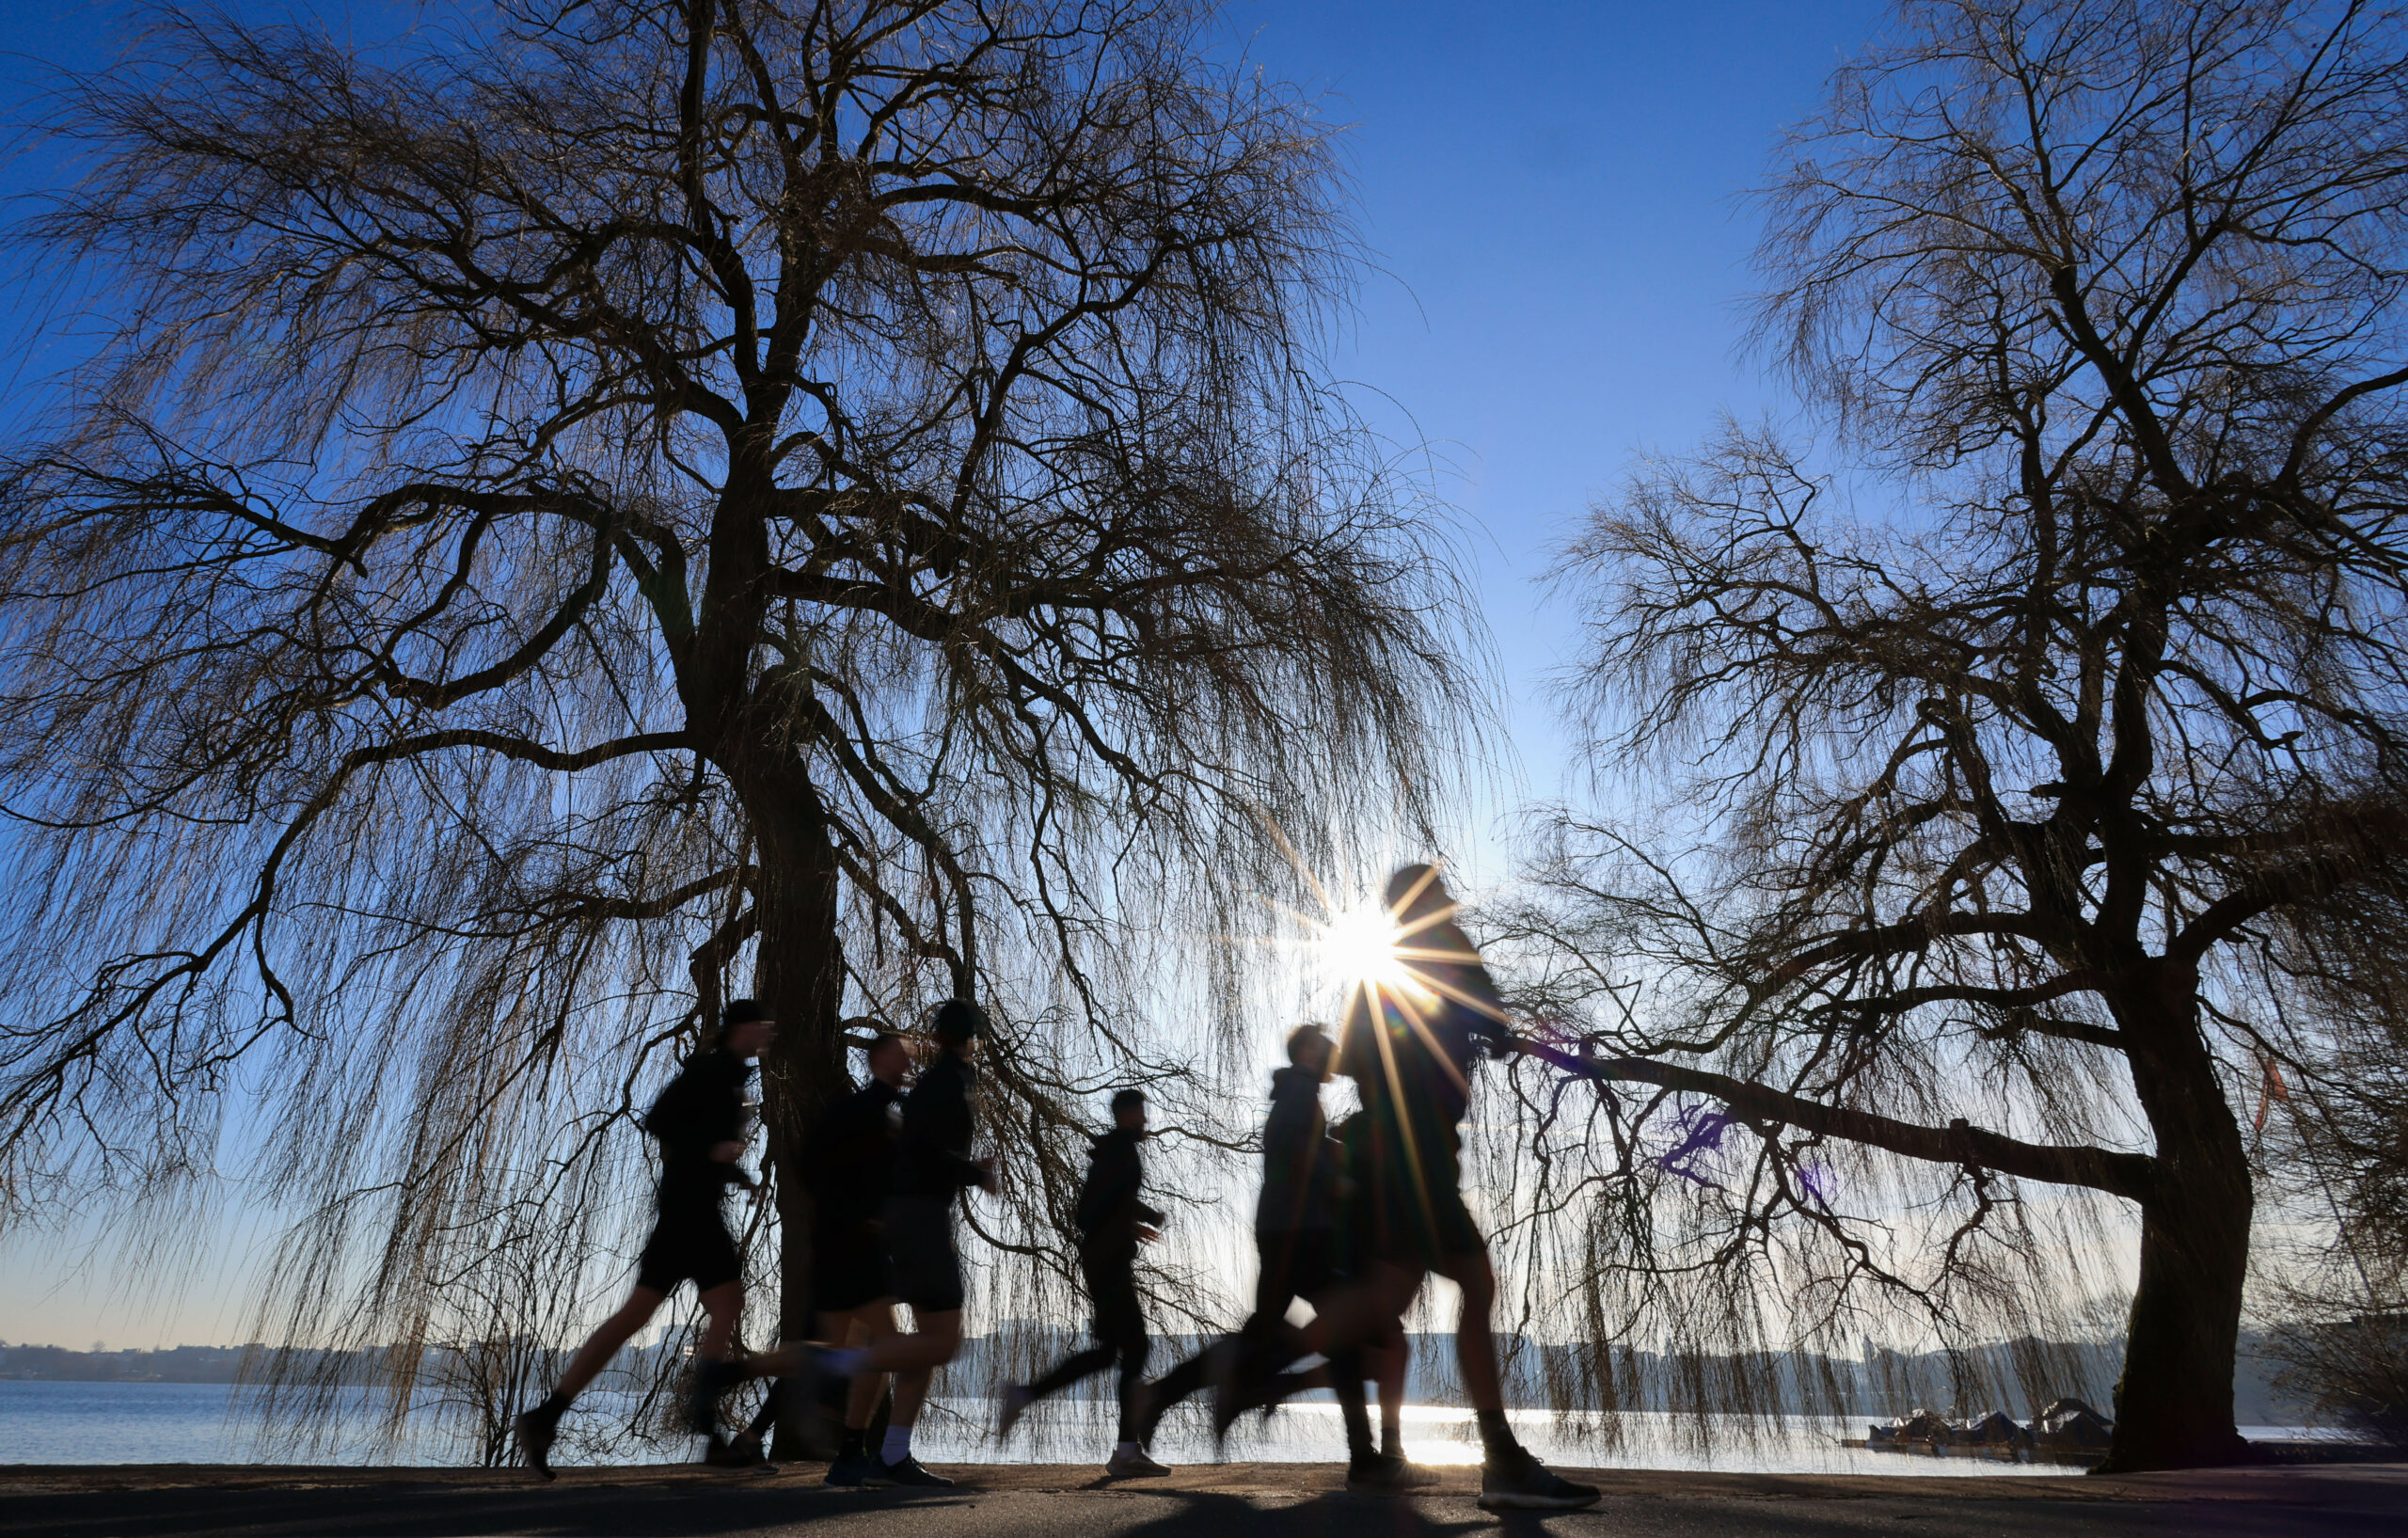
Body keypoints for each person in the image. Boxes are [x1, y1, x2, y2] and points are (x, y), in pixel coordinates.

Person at [1225, 866, 1601, 1512]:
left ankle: (1256, 1365)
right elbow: (1492, 1023)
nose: (1449, 902)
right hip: (1415, 1155)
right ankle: (1502, 1456)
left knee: (1387, 1295)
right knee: (1471, 1283)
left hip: (1395, 1152)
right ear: (1423, 903)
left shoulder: (1380, 974)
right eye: (1438, 895)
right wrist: (1512, 1034)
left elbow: (1360, 1056)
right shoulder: (1445, 950)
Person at [715, 998, 997, 1488]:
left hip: (876, 1239)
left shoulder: (901, 1108)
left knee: (881, 1348)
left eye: (911, 1055)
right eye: (899, 1055)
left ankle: (836, 1447)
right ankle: (816, 1421)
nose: (908, 1062)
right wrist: (856, 1216)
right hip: (850, 1244)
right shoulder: (865, 1109)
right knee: (871, 1349)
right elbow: (815, 1163)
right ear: (877, 1060)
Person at [1135, 1025, 1431, 1489]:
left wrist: (1334, 1147)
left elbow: (1298, 1148)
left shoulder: (1298, 1094)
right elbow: (1295, 1151)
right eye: (1328, 1045)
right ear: (1310, 1051)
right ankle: (1361, 1457)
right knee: (1341, 1334)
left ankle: (1165, 1395)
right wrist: (1340, 1176)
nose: (1335, 1053)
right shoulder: (1298, 1093)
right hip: (1301, 1233)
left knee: (1272, 1333)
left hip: (1286, 1231)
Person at [514, 1000, 773, 1480]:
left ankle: (545, 1417)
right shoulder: (710, 1070)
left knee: (644, 1313)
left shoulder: (734, 1076)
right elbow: (660, 1121)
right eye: (761, 1025)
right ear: (742, 1027)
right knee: (724, 1301)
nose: (766, 1034)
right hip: (689, 1211)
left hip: (690, 1208)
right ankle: (706, 1423)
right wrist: (714, 1150)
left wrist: (737, 1174)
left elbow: (706, 1142)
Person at [996, 1088, 1168, 1479]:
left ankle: (1027, 1396)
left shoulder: (1114, 1150)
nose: (1146, 1119)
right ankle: (1125, 1452)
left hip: (1103, 1260)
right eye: (1141, 1112)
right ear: (1127, 1114)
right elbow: (1090, 1210)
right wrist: (1137, 1219)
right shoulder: (1120, 1150)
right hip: (1107, 1264)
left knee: (1111, 1352)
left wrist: (1133, 1221)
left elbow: (1098, 1206)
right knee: (1136, 1347)